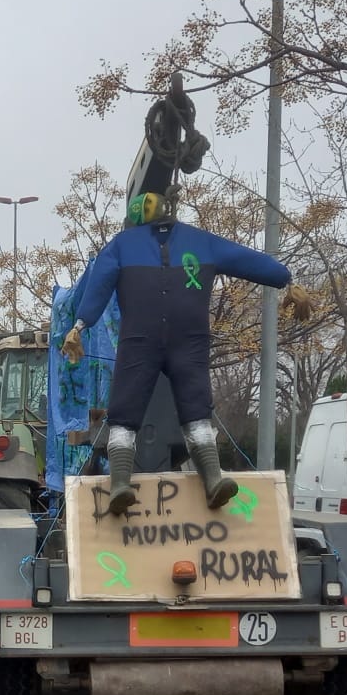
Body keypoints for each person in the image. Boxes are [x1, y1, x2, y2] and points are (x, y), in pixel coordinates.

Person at [61, 79, 292, 516]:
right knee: (194, 405)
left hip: (140, 340)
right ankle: (210, 477)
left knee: (125, 408)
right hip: (189, 339)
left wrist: (81, 324)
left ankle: (122, 482)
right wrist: (283, 277)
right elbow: (247, 259)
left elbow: (98, 287)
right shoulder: (201, 241)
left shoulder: (122, 246)